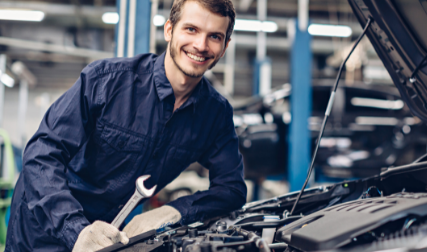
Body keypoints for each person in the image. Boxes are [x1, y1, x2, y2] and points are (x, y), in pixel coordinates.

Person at [5, 0, 247, 251]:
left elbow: (232, 189)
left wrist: (173, 211)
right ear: (169, 30)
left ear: (225, 46)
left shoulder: (215, 114)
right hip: (44, 226)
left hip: (109, 234)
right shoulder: (106, 81)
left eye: (215, 36)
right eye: (191, 29)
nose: (201, 45)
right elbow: (41, 153)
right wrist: (76, 229)